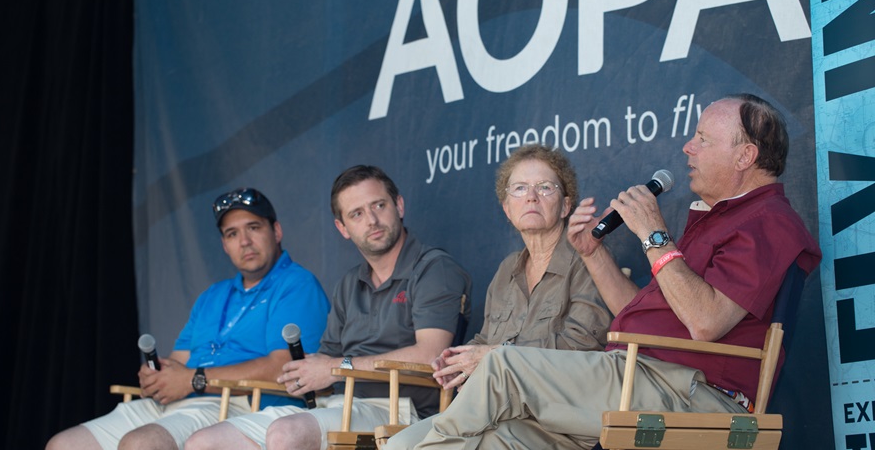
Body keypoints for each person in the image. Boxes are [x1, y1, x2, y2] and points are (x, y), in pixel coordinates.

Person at [409, 93, 822, 449]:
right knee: (467, 441)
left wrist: (655, 234)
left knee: (502, 365)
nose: (687, 148)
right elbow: (640, 316)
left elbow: (705, 321)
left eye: (702, 139)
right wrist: (592, 253)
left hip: (691, 392)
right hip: (639, 377)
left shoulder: (769, 219)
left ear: (745, 155)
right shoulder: (716, 220)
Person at [185, 165, 472, 450]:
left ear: (398, 205)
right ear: (342, 228)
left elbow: (431, 355)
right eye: (356, 214)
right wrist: (304, 373)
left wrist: (334, 368)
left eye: (379, 205)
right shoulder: (349, 283)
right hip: (339, 403)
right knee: (207, 441)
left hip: (402, 411)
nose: (371, 220)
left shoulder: (434, 268)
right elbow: (326, 361)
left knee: (287, 434)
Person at [46, 188, 330, 450]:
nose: (244, 241)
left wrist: (193, 380)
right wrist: (158, 376)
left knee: (140, 444)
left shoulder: (296, 284)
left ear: (276, 231)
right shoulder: (212, 295)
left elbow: (284, 367)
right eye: (232, 234)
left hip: (239, 404)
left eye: (253, 228)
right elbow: (179, 361)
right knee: (64, 444)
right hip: (181, 401)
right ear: (224, 245)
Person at [385, 144, 613, 449]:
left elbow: (584, 347)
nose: (531, 196)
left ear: (565, 205)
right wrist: (457, 360)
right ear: (507, 208)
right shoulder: (507, 269)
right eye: (519, 188)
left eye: (545, 187)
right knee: (397, 445)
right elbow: (486, 341)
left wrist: (497, 354)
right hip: (495, 411)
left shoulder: (588, 258)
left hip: (556, 419)